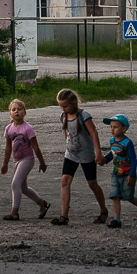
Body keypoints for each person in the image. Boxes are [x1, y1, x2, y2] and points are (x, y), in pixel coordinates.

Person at [49, 89, 108, 226]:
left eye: (65, 106)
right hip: (71, 155)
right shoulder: (63, 116)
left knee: (92, 183)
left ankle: (103, 211)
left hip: (86, 155)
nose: (62, 108)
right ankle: (64, 216)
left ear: (74, 103)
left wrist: (98, 153)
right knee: (65, 180)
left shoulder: (84, 116)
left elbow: (94, 134)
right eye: (60, 106)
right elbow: (68, 133)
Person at [0, 99, 51, 220]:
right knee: (23, 188)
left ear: (24, 112)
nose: (16, 111)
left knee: (15, 184)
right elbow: (8, 148)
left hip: (27, 159)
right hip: (16, 161)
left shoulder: (28, 129)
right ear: (10, 114)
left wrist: (42, 163)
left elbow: (36, 147)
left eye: (19, 109)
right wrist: (5, 163)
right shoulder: (9, 128)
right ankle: (42, 204)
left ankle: (14, 212)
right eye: (13, 109)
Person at [100, 113, 137, 229]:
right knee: (115, 196)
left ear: (124, 129)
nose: (112, 130)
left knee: (129, 197)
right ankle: (116, 220)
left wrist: (131, 174)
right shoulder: (112, 140)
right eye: (111, 127)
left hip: (127, 174)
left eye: (115, 127)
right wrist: (104, 160)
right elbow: (113, 153)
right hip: (116, 173)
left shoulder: (128, 143)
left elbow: (133, 160)